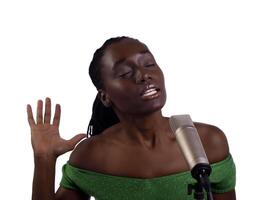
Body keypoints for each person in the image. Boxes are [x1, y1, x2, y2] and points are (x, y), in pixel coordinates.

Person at [27, 36, 236, 200]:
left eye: (149, 64)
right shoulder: (91, 156)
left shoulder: (208, 142)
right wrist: (43, 158)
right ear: (105, 96)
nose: (143, 75)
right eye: (125, 73)